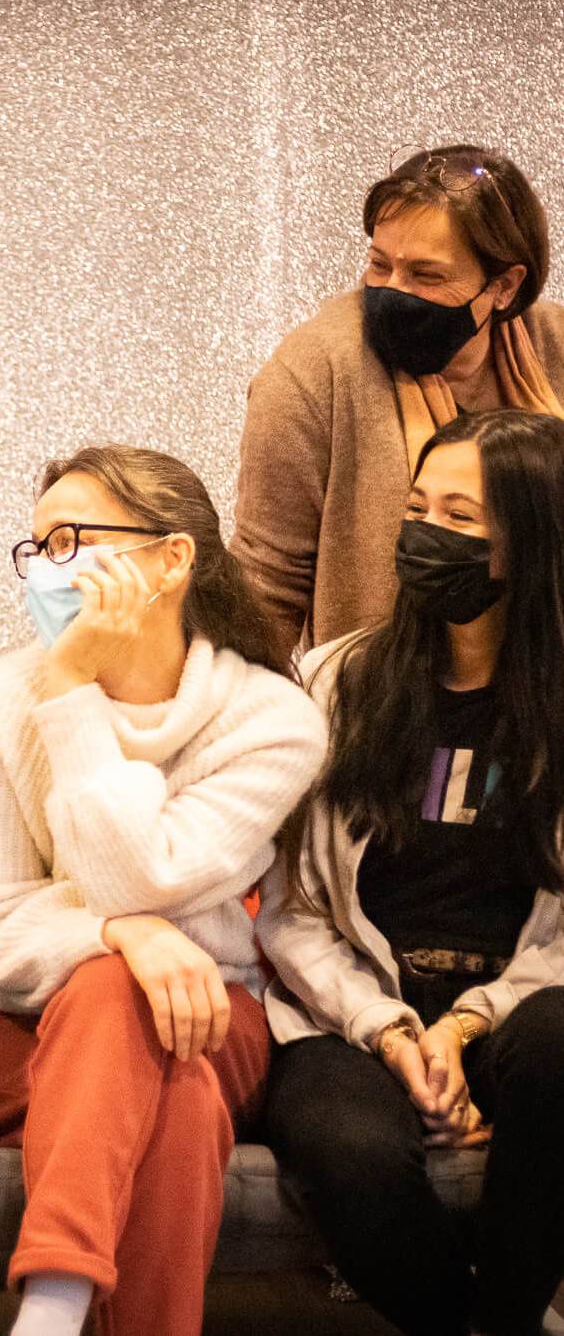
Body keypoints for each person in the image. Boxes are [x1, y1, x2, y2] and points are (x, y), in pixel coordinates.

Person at [0, 444, 327, 1336]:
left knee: (156, 1036)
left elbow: (136, 872)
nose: (44, 568)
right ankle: (56, 1307)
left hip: (210, 1010)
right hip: (17, 1020)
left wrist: (71, 695)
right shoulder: (1, 695)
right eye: (33, 548)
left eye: (71, 539)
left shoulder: (272, 721)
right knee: (144, 1042)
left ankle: (50, 1307)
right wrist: (129, 937)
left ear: (171, 557)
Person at [258, 409, 564, 1336]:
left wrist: (471, 1021)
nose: (425, 532)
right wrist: (392, 1032)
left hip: (520, 1007)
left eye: (462, 518)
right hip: (350, 1014)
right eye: (417, 506)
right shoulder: (331, 683)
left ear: (533, 541)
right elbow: (289, 906)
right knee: (347, 1151)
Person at [233, 144, 564, 654]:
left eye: (427, 276)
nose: (393, 291)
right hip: (386, 699)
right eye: (380, 265)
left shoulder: (556, 349)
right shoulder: (309, 375)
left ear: (504, 286)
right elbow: (265, 587)